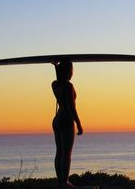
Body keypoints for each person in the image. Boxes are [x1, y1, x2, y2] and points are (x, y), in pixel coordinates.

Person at [52, 60, 83, 188]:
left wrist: (56, 67)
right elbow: (71, 107)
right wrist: (79, 123)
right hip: (66, 119)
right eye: (71, 70)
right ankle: (65, 182)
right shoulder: (68, 86)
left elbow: (58, 80)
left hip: (57, 119)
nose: (72, 73)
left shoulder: (55, 84)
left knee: (59, 151)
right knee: (66, 153)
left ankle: (61, 180)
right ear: (68, 72)